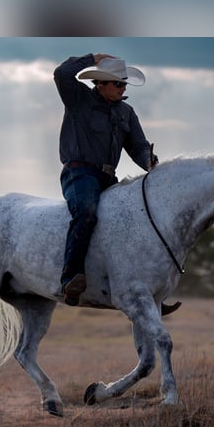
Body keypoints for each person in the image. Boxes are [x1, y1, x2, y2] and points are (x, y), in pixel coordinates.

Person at [54, 53, 157, 306]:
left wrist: (149, 163)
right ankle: (70, 279)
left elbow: (139, 147)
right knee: (86, 211)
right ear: (100, 83)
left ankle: (150, 288)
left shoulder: (127, 112)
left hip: (108, 177)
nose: (123, 88)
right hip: (79, 173)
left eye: (124, 83)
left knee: (139, 218)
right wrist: (92, 58)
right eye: (118, 83)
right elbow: (62, 74)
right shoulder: (78, 99)